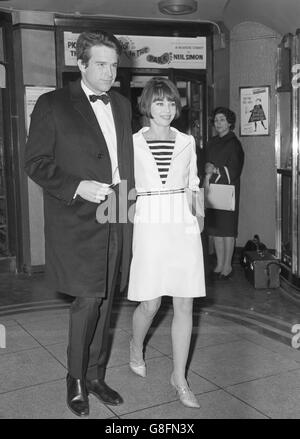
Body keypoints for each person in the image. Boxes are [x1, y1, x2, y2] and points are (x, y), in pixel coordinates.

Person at [24, 31, 134, 417]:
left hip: (118, 211)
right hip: (77, 217)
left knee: (108, 300)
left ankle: (95, 375)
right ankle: (75, 379)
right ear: (81, 64)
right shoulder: (53, 104)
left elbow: (126, 162)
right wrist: (76, 186)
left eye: (114, 65)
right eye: (100, 64)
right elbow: (35, 162)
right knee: (87, 301)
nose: (109, 72)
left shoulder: (121, 104)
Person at [127, 77, 206, 409]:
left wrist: (199, 221)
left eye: (172, 102)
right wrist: (123, 214)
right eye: (160, 102)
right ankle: (135, 345)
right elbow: (120, 180)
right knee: (151, 304)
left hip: (182, 224)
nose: (167, 109)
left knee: (185, 304)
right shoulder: (130, 142)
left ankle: (179, 377)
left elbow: (194, 184)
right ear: (147, 105)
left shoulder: (187, 141)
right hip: (148, 223)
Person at [204, 107, 244, 279]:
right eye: (216, 120)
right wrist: (206, 169)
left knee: (227, 230)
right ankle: (219, 264)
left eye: (222, 120)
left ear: (229, 122)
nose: (218, 123)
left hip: (228, 190)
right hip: (211, 188)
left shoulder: (234, 143)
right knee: (215, 229)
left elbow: (235, 170)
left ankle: (227, 266)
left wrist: (216, 170)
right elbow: (204, 162)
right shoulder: (211, 142)